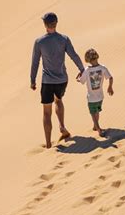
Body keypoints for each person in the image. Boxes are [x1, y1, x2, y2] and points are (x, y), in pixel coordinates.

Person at [30, 12, 85, 148]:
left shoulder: (39, 42)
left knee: (46, 112)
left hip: (47, 81)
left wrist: (32, 80)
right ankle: (62, 126)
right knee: (59, 100)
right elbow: (74, 55)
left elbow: (35, 62)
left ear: (44, 24)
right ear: (56, 23)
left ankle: (48, 144)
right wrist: (82, 69)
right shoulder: (64, 39)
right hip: (62, 80)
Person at [76, 48, 114, 136]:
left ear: (88, 60)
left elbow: (82, 81)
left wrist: (78, 77)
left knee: (93, 114)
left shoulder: (87, 70)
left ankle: (99, 129)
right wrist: (110, 87)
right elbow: (110, 78)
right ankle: (95, 126)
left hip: (91, 97)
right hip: (100, 97)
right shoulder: (103, 68)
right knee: (96, 111)